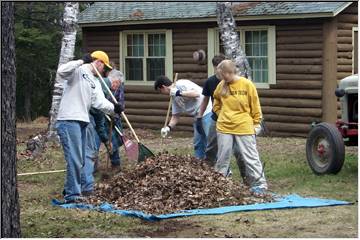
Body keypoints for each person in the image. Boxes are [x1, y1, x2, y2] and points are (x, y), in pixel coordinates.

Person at [56, 50, 124, 203]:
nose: (104, 72)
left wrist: (114, 108)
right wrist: (81, 61)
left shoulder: (95, 81)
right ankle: (72, 195)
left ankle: (71, 189)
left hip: (82, 120)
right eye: (104, 68)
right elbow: (61, 71)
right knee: (74, 158)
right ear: (98, 62)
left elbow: (99, 102)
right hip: (68, 119)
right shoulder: (77, 70)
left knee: (80, 158)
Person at [212, 59, 267, 194]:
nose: (221, 78)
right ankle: (220, 184)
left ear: (229, 72)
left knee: (250, 156)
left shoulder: (247, 85)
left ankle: (260, 183)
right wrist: (221, 114)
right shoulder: (221, 86)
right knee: (223, 156)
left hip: (244, 126)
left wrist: (256, 123)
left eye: (222, 75)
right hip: (224, 127)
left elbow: (255, 105)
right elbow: (216, 103)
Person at [154, 76, 212, 159]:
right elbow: (175, 116)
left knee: (210, 141)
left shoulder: (181, 83)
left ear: (163, 87)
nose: (162, 94)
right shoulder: (173, 97)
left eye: (160, 91)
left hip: (207, 111)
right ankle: (200, 164)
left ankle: (223, 169)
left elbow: (196, 94)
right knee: (198, 143)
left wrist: (178, 93)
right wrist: (168, 128)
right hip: (197, 116)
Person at [196, 54, 226, 166]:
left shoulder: (232, 81)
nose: (219, 70)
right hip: (215, 117)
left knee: (229, 147)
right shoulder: (210, 82)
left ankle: (226, 170)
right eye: (217, 67)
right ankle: (209, 170)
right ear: (214, 67)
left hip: (231, 119)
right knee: (211, 146)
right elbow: (205, 100)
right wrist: (199, 116)